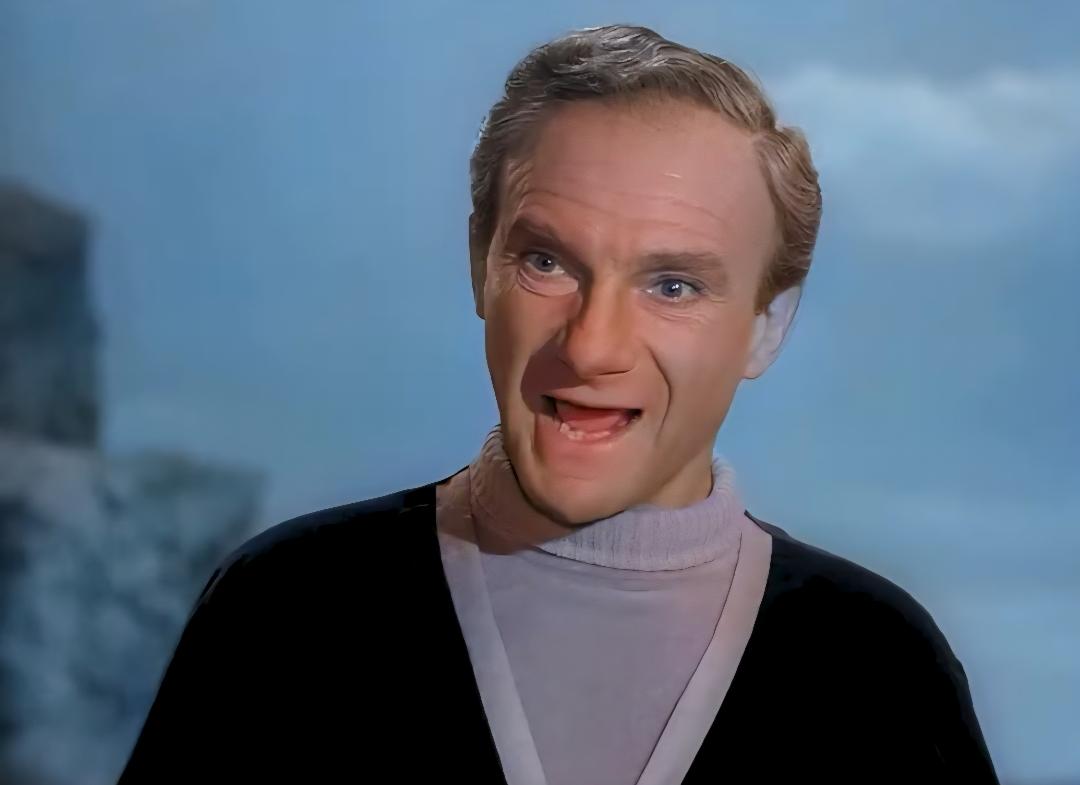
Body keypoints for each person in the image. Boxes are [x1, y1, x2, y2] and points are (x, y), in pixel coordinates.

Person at [117, 24, 1000, 784]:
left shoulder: (879, 669)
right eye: (547, 262)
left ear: (766, 327)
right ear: (481, 262)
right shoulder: (285, 613)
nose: (591, 346)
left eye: (673, 284)